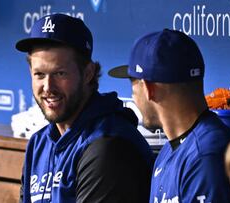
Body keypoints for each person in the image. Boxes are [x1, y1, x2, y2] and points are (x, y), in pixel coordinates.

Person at [15, 13, 154, 203]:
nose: (48, 87)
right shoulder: (39, 144)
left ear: (88, 73)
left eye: (60, 73)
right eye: (39, 74)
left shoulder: (108, 145)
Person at [109, 29, 230, 203]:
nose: (133, 98)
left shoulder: (206, 158)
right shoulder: (170, 150)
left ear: (148, 89)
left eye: (133, 87)